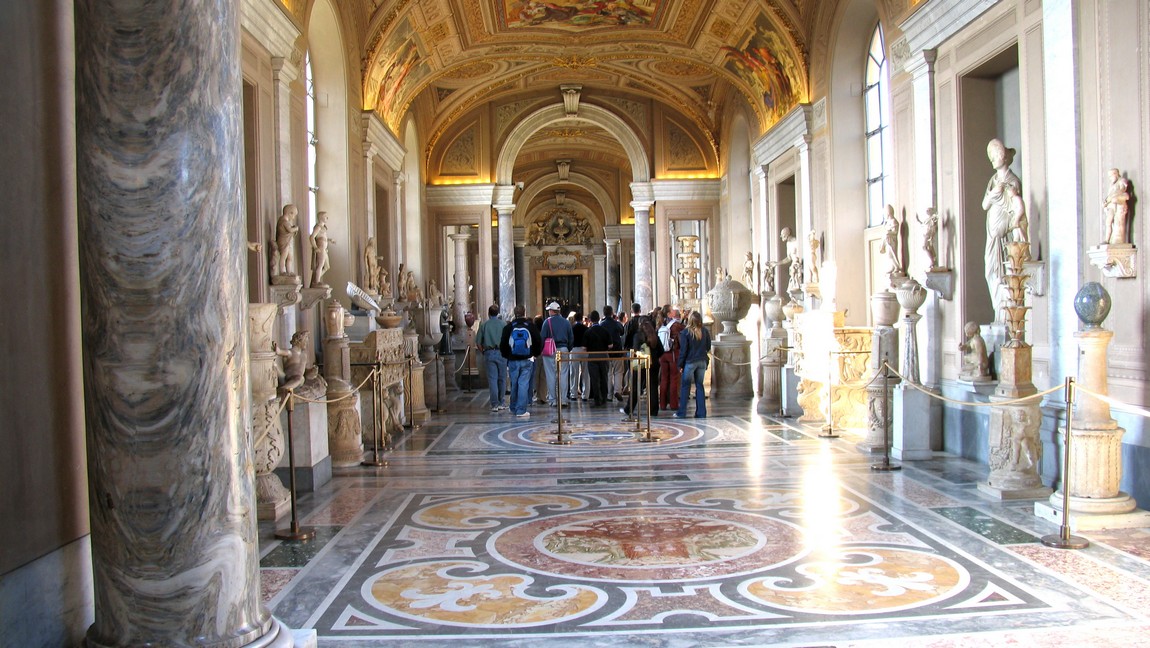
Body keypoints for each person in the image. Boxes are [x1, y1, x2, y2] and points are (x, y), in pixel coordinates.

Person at [981, 139, 1022, 315]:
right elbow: (984, 205)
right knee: (990, 271)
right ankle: (998, 311)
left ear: (1004, 156)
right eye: (991, 156)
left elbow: (1015, 210)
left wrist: (1002, 191)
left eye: (996, 154)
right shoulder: (992, 181)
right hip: (991, 234)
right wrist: (993, 193)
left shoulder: (1013, 181)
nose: (993, 159)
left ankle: (1004, 313)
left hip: (1003, 235)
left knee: (1002, 274)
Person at [500, 305, 542, 417]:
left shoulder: (509, 327)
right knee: (523, 383)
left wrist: (507, 355)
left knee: (514, 383)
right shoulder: (530, 326)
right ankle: (521, 410)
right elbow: (538, 341)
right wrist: (535, 354)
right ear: (524, 312)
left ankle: (513, 407)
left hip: (513, 359)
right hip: (527, 359)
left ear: (514, 313)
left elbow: (503, 343)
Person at [675, 310, 711, 419]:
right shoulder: (704, 331)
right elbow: (708, 346)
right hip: (702, 361)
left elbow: (683, 350)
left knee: (685, 386)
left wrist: (680, 365)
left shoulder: (686, 332)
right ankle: (701, 413)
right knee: (699, 386)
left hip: (690, 361)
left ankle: (682, 413)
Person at [540, 301, 573, 406]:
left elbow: (542, 338)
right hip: (563, 349)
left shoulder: (547, 322)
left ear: (552, 311)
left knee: (550, 375)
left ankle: (553, 399)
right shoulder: (566, 322)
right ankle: (563, 399)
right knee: (563, 374)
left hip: (550, 350)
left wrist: (541, 350)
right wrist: (568, 348)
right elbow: (571, 338)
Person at [475, 304, 508, 412]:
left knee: (492, 379)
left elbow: (478, 342)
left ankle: (494, 404)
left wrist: (483, 351)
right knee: (502, 379)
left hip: (489, 352)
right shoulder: (503, 324)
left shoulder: (484, 325)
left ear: (488, 313)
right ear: (498, 313)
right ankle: (502, 402)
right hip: (502, 352)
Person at [582, 311, 611, 407]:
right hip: (604, 355)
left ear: (590, 320)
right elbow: (610, 345)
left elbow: (584, 348)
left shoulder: (588, 332)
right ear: (599, 318)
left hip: (592, 357)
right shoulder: (605, 330)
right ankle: (604, 398)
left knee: (595, 379)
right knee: (604, 377)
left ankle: (597, 400)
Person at [658, 307, 685, 412]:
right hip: (672, 353)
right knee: (674, 378)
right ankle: (674, 404)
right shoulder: (675, 325)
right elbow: (685, 329)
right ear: (669, 313)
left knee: (664, 379)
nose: (674, 311)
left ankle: (663, 404)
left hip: (662, 354)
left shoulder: (661, 323)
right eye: (672, 310)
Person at [600, 305, 626, 401]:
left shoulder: (601, 324)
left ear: (604, 313)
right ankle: (617, 391)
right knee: (618, 372)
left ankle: (609, 395)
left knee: (608, 373)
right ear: (612, 313)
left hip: (606, 351)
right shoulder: (616, 323)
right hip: (617, 351)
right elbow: (622, 331)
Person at [276, 331, 310, 397]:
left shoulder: (304, 355)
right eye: (305, 342)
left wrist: (312, 370)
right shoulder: (290, 352)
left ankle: (286, 389)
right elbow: (280, 352)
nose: (306, 344)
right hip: (287, 378)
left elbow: (303, 370)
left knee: (301, 378)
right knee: (299, 378)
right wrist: (277, 350)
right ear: (299, 341)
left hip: (300, 379)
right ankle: (282, 389)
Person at [1103, 167, 1131, 245]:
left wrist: (1114, 197)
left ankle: (1116, 240)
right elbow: (1109, 196)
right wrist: (1106, 202)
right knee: (1108, 222)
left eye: (1111, 176)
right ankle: (1107, 240)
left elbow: (1123, 190)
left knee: (1118, 223)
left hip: (1118, 205)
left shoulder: (1121, 181)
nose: (1110, 178)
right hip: (1111, 206)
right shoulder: (1111, 185)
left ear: (1115, 174)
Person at [309, 211, 333, 288]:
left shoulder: (323, 228)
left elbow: (323, 237)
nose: (327, 218)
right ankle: (316, 281)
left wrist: (329, 240)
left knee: (326, 267)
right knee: (320, 265)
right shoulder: (318, 227)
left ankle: (316, 279)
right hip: (321, 248)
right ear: (321, 217)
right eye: (326, 216)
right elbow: (312, 237)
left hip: (324, 249)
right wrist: (315, 247)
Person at [878, 205, 903, 279]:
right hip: (887, 240)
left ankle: (897, 267)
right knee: (889, 255)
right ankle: (893, 267)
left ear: (888, 213)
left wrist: (888, 233)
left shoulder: (893, 221)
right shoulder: (887, 222)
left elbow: (895, 231)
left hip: (892, 240)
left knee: (892, 254)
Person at [275, 204, 300, 277]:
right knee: (283, 256)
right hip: (283, 242)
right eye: (294, 215)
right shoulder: (283, 221)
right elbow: (289, 230)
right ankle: (282, 271)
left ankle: (289, 271)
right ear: (290, 213)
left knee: (290, 257)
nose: (293, 217)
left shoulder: (286, 221)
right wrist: (296, 228)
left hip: (287, 242)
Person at [568, 312, 587, 401]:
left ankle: (573, 394)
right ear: (582, 319)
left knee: (574, 372)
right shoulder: (586, 328)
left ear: (575, 319)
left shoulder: (572, 328)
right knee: (585, 373)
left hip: (574, 350)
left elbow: (570, 339)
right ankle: (585, 394)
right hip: (585, 350)